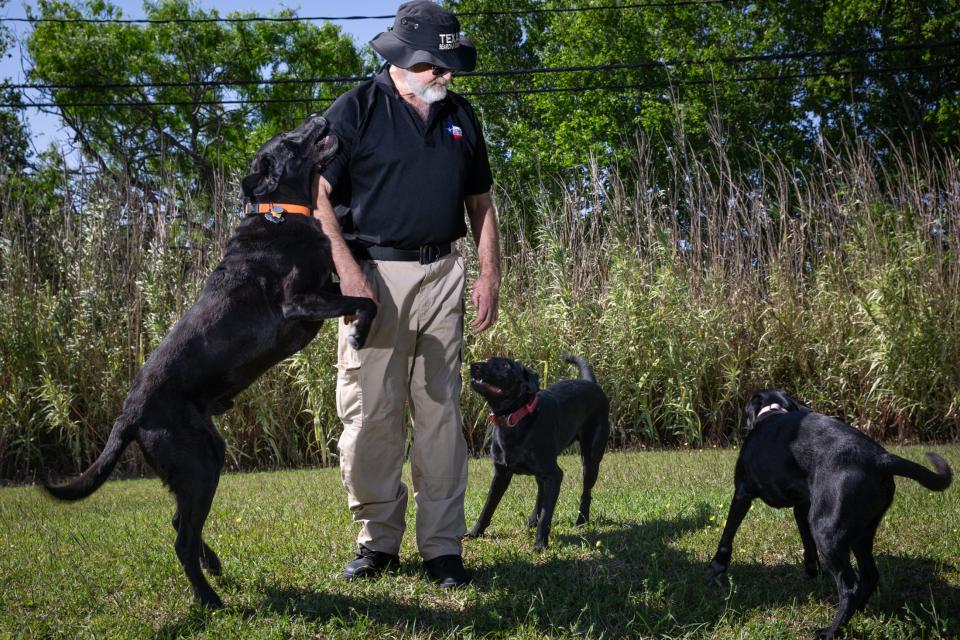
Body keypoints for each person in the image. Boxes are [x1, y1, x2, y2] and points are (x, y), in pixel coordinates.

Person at [312, 0, 500, 588]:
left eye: (449, 65)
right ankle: (378, 543)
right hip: (373, 278)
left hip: (443, 274)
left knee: (441, 414)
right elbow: (314, 196)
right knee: (371, 416)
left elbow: (481, 203)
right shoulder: (356, 110)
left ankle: (443, 547)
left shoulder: (460, 117)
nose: (445, 74)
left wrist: (488, 273)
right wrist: (347, 274)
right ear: (402, 58)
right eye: (435, 65)